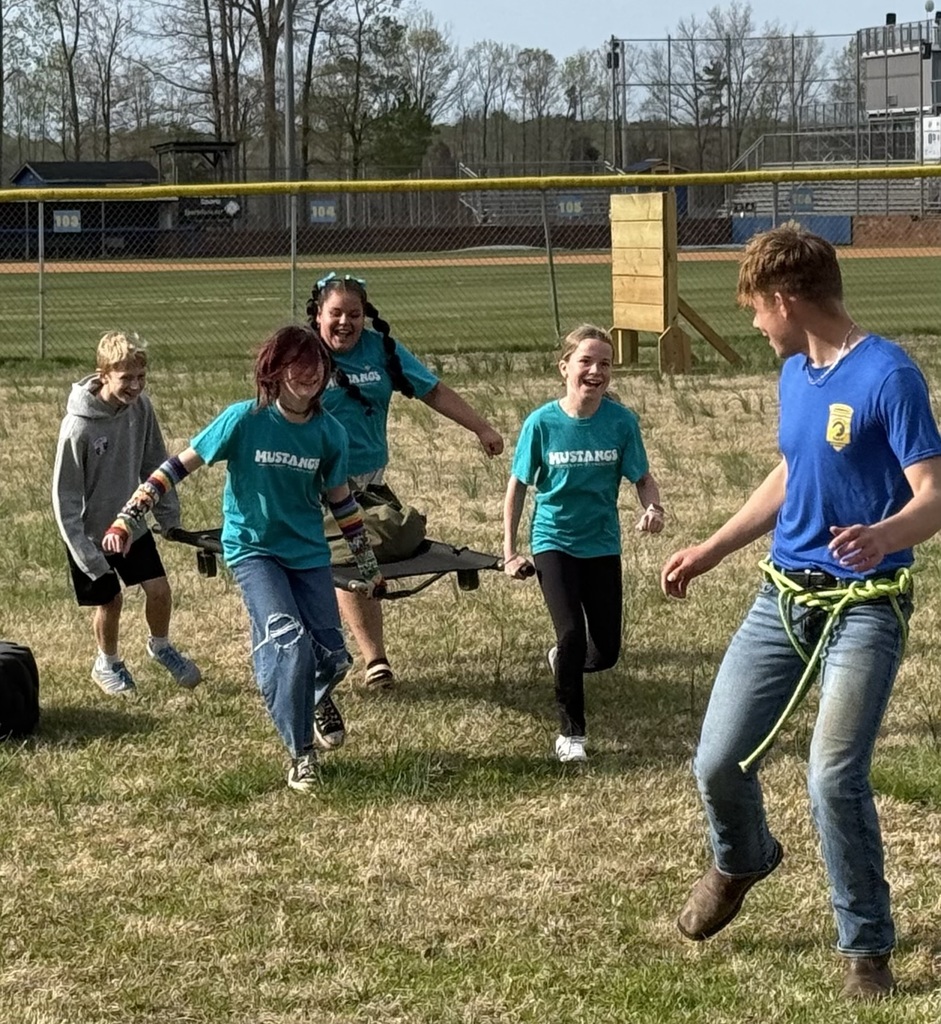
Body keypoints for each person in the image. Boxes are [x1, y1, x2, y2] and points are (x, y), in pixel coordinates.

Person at [660, 224, 941, 1000]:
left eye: (755, 307)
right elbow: (790, 470)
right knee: (716, 762)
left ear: (784, 299)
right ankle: (742, 855)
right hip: (782, 596)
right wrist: (711, 547)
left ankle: (865, 952)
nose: (753, 322)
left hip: (865, 607)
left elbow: (934, 495)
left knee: (830, 776)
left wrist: (882, 534)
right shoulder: (794, 372)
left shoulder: (888, 375)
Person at [103, 324, 386, 793]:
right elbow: (174, 467)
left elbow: (342, 505)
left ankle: (313, 696)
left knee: (334, 659)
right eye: (296, 365)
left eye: (316, 365)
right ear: (273, 371)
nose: (308, 374)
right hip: (254, 551)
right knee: (289, 642)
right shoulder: (242, 420)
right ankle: (301, 754)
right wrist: (126, 519)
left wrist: (369, 569)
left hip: (308, 554)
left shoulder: (329, 433)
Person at [307, 273, 504, 690]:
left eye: (354, 314)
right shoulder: (302, 354)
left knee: (375, 545)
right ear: (318, 314)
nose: (345, 323)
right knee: (347, 556)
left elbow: (432, 391)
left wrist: (481, 428)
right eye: (335, 313)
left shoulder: (382, 351)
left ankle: (362, 654)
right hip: (309, 482)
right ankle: (368, 656)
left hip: (368, 481)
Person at [502, 324, 664, 763]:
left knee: (606, 650)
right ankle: (571, 734)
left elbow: (643, 479)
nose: (595, 370)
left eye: (605, 363)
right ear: (565, 368)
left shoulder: (621, 422)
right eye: (586, 361)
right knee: (572, 632)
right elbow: (517, 487)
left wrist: (653, 509)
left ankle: (563, 660)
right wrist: (510, 552)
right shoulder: (542, 423)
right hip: (553, 540)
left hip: (602, 544)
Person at [52, 330, 201, 696]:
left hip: (131, 524)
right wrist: (85, 554)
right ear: (103, 375)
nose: (135, 386)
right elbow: (64, 496)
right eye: (126, 379)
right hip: (90, 536)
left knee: (160, 590)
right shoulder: (79, 426)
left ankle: (161, 646)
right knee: (111, 600)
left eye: (141, 377)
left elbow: (156, 464)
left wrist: (168, 518)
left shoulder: (141, 407)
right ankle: (108, 663)